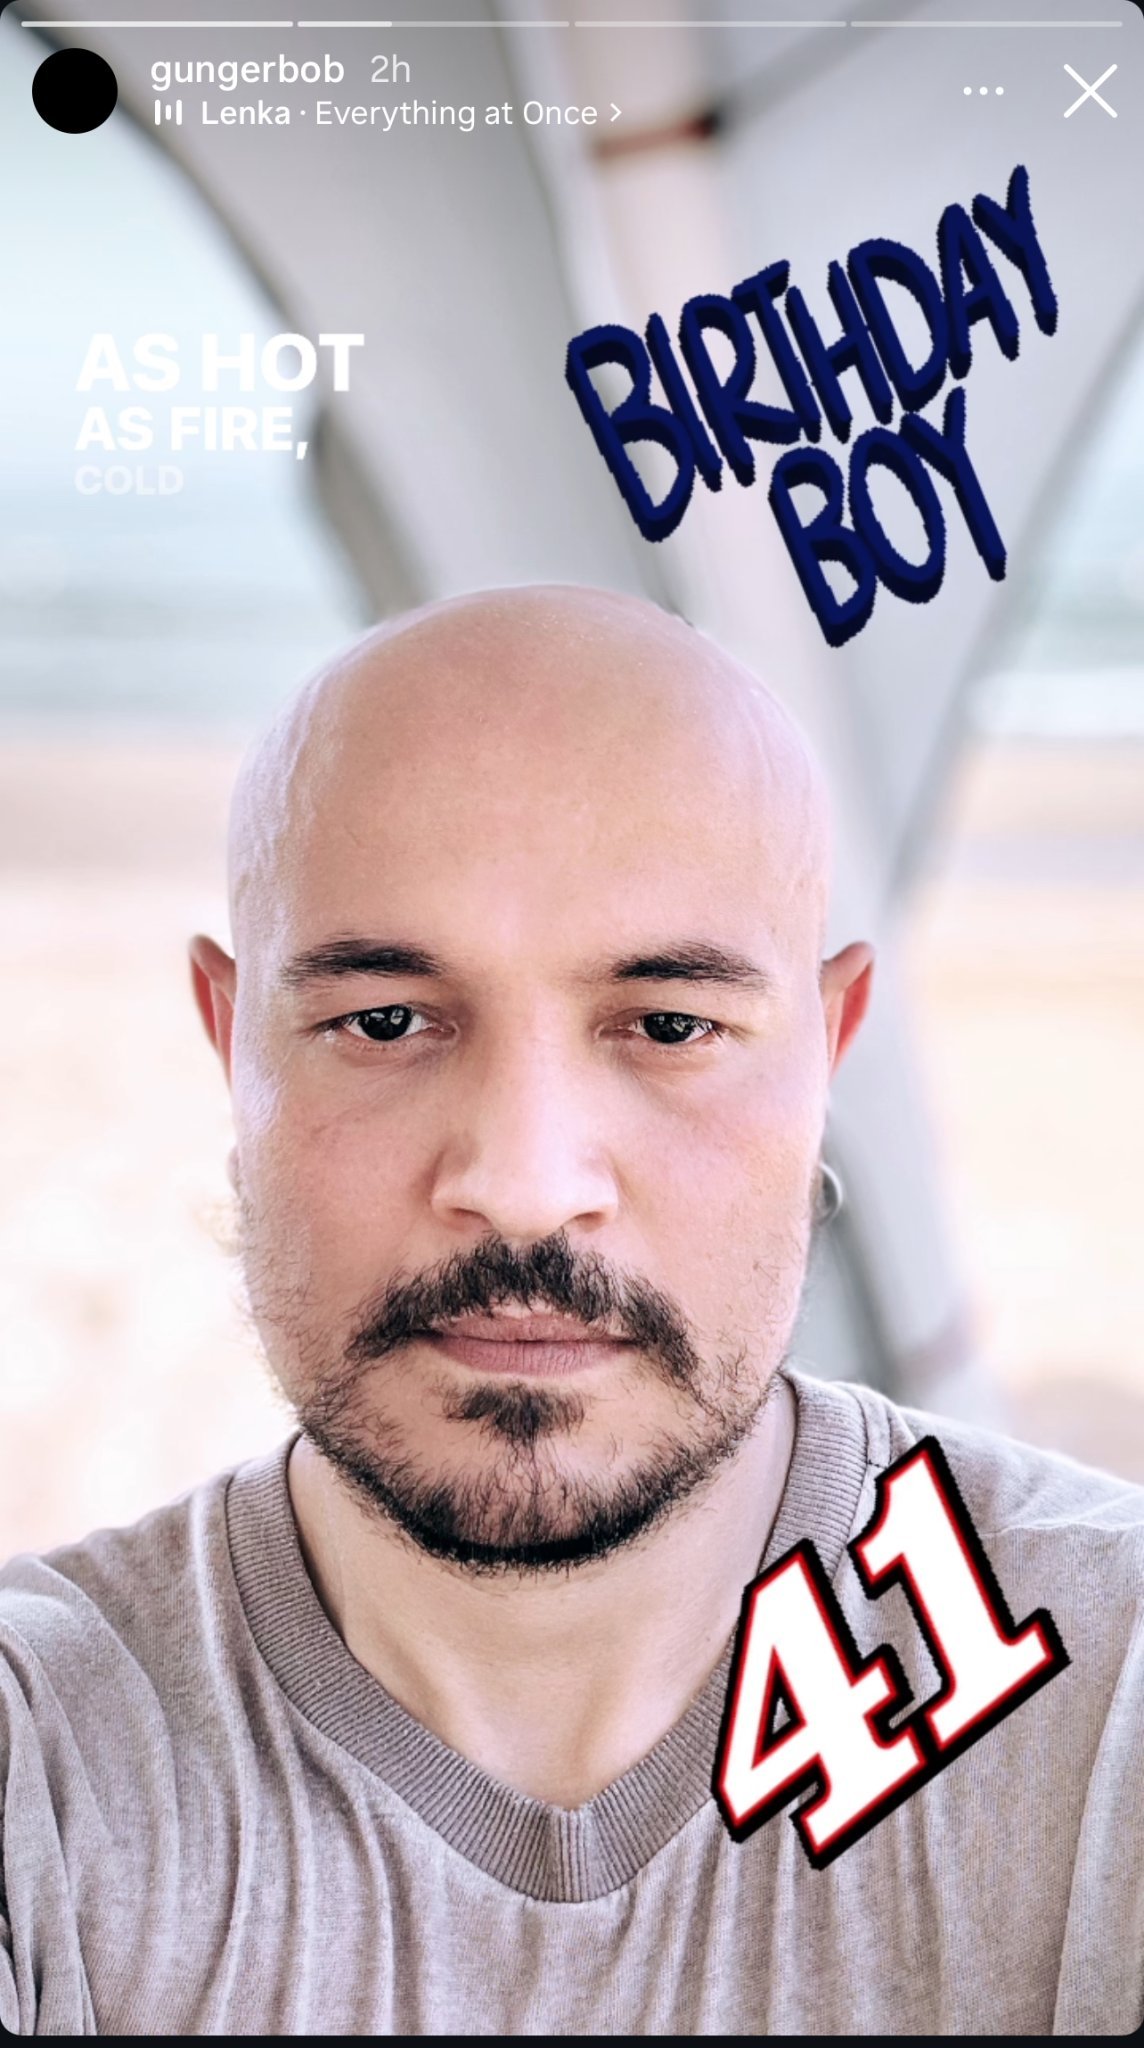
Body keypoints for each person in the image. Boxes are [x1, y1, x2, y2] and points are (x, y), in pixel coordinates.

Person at [0, 585, 1140, 2038]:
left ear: (827, 1052)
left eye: (670, 1026)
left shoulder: (1110, 1705)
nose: (526, 1188)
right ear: (235, 1048)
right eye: (385, 1021)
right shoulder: (45, 1765)